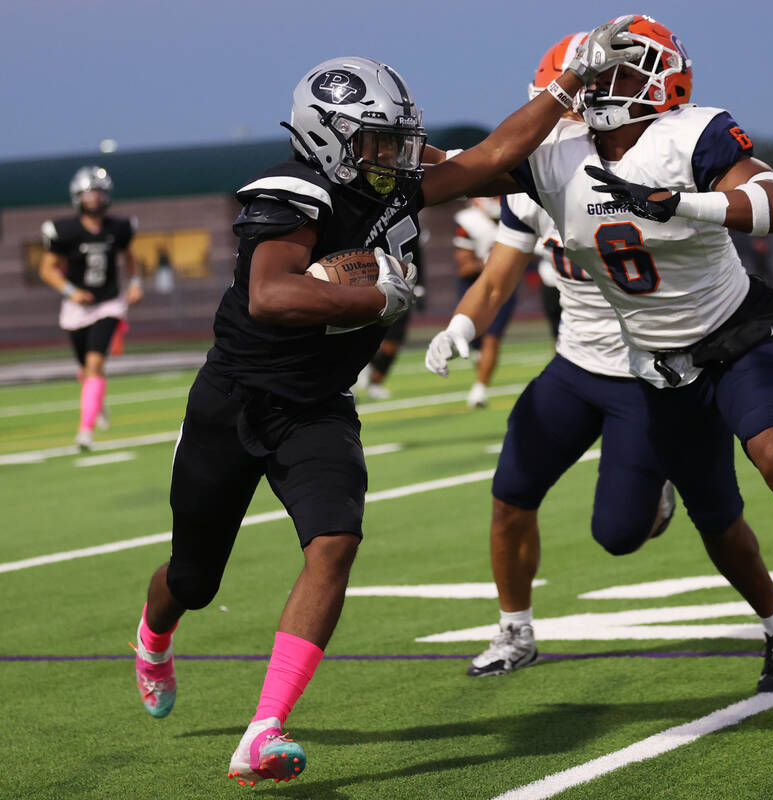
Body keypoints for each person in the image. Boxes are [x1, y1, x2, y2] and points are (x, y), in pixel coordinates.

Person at [131, 23, 644, 786]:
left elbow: (491, 159)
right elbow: (270, 294)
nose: (396, 154)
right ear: (331, 137)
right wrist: (374, 296)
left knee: (334, 542)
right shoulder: (291, 191)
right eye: (378, 141)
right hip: (235, 403)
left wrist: (568, 83)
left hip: (317, 407)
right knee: (195, 579)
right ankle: (153, 638)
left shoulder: (396, 183)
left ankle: (265, 729)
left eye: (398, 139)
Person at [436, 15, 773, 701]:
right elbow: (464, 173)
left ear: (660, 78)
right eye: (595, 72)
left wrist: (690, 204)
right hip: (658, 368)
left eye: (617, 71)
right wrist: (461, 321)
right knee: (709, 519)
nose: (602, 85)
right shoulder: (553, 156)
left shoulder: (691, 134)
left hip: (735, 338)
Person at [38, 166, 143, 450]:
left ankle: (84, 431)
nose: (94, 199)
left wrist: (135, 282)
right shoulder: (65, 231)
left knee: (96, 364)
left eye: (98, 193)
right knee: (86, 370)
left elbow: (130, 258)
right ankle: (95, 404)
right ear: (77, 197)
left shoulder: (119, 228)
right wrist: (71, 291)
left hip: (108, 303)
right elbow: (46, 269)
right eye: (88, 193)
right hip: (77, 308)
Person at [453, 196, 516, 407]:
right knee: (475, 341)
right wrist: (491, 264)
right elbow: (465, 267)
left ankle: (479, 389)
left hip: (503, 285)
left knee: (492, 337)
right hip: (474, 285)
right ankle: (480, 375)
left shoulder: (517, 213)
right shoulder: (468, 220)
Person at [355, 243, 426, 401]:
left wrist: (420, 285)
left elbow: (415, 253)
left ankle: (376, 382)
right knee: (361, 337)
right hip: (370, 285)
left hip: (400, 287)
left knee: (393, 340)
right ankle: (354, 379)